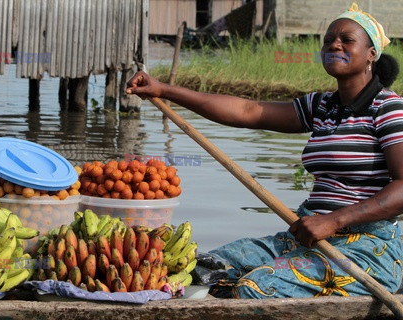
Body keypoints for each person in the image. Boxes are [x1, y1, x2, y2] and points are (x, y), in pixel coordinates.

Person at [126, 2, 403, 299]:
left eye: (346, 40)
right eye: (327, 40)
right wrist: (165, 91)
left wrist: (333, 220)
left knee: (254, 288)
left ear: (371, 54)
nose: (334, 44)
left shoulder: (387, 108)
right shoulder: (322, 106)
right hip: (306, 236)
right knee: (202, 269)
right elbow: (248, 110)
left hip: (365, 249)